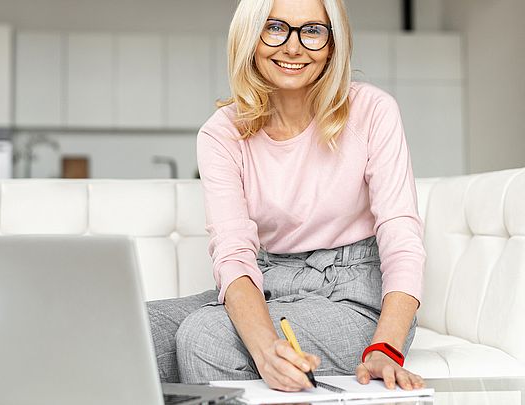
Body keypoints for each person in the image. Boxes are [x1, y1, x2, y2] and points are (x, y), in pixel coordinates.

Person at [147, 0, 427, 393]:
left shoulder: (372, 110)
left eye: (312, 31)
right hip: (271, 280)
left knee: (207, 337)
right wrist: (264, 348)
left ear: (333, 44)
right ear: (250, 36)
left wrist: (387, 346)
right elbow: (233, 252)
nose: (293, 47)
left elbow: (401, 235)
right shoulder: (221, 133)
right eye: (275, 27)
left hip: (358, 297)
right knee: (134, 328)